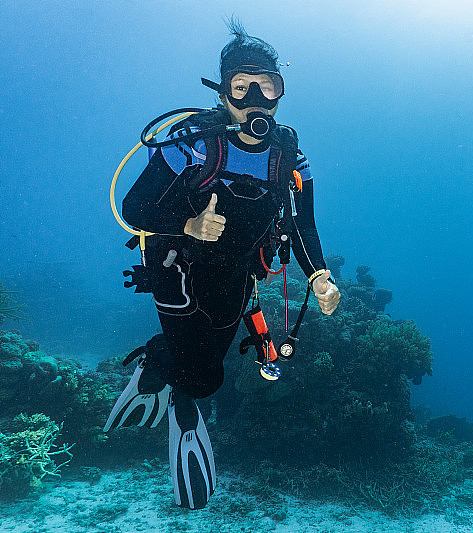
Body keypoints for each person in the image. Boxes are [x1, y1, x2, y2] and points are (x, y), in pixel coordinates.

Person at [103, 22, 340, 510]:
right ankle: (181, 404)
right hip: (176, 263)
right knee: (200, 376)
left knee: (212, 364)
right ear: (224, 91)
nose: (256, 99)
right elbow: (133, 208)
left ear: (280, 91)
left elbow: (302, 227)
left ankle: (158, 363)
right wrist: (189, 224)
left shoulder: (290, 157)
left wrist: (319, 274)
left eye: (267, 86)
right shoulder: (192, 143)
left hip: (237, 271)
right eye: (241, 87)